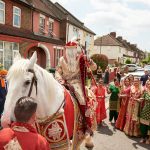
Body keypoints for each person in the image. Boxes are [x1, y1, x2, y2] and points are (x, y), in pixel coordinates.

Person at [55, 40, 97, 135]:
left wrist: (89, 61)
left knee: (81, 99)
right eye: (68, 49)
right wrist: (59, 79)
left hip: (76, 83)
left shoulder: (81, 58)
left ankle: (86, 124)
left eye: (72, 49)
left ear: (76, 49)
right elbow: (57, 71)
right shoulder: (61, 59)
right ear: (65, 49)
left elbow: (94, 68)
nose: (70, 52)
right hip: (64, 83)